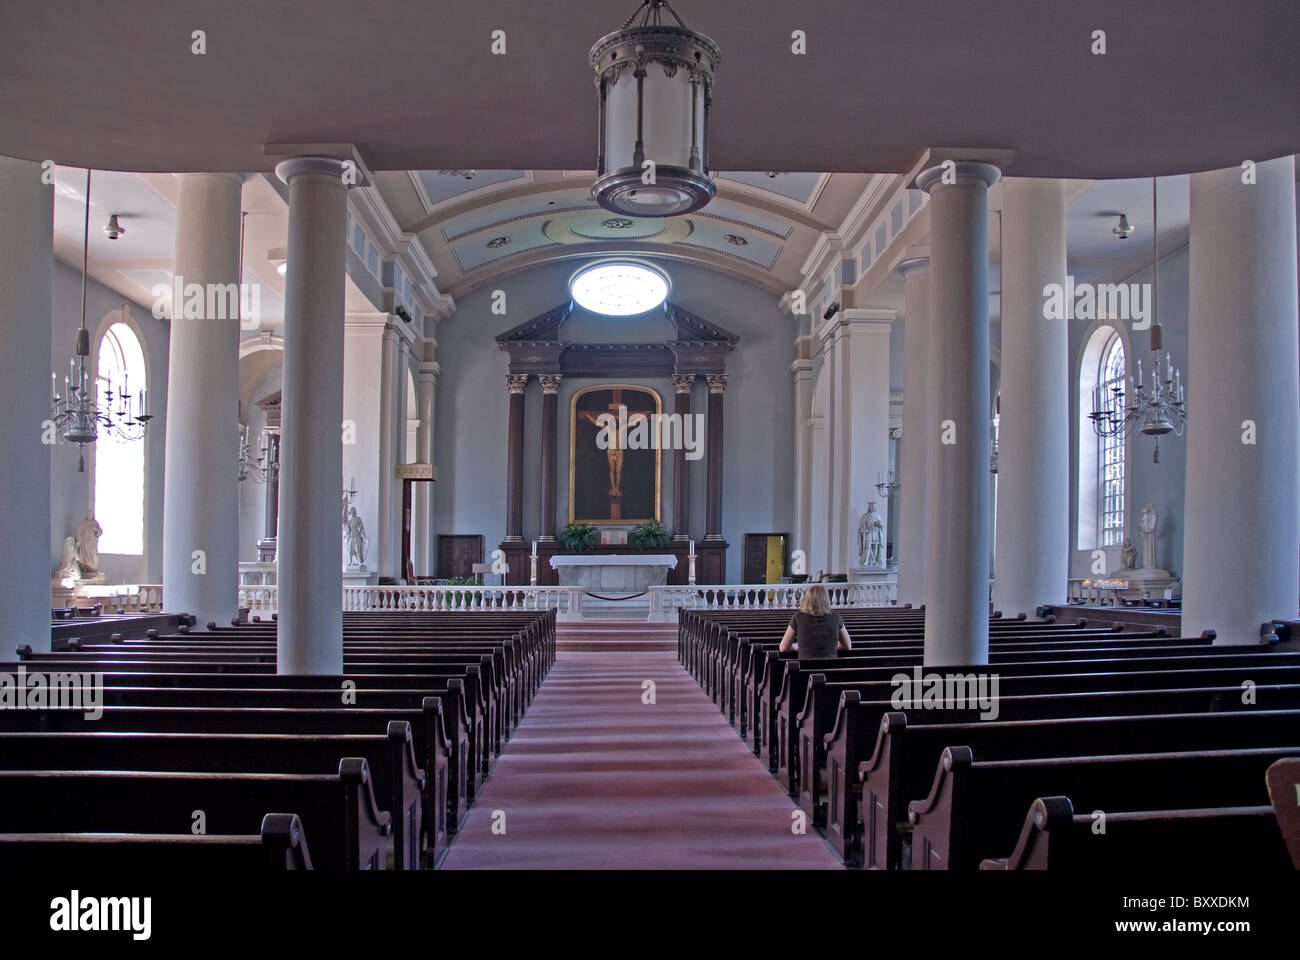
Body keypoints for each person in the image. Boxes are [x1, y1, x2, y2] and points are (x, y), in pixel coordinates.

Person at [779, 584, 851, 660]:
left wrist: (797, 646)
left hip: (805, 669)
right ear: (826, 600)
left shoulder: (798, 618)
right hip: (830, 669)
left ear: (807, 600)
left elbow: (783, 648)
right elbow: (847, 646)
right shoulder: (836, 618)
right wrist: (829, 646)